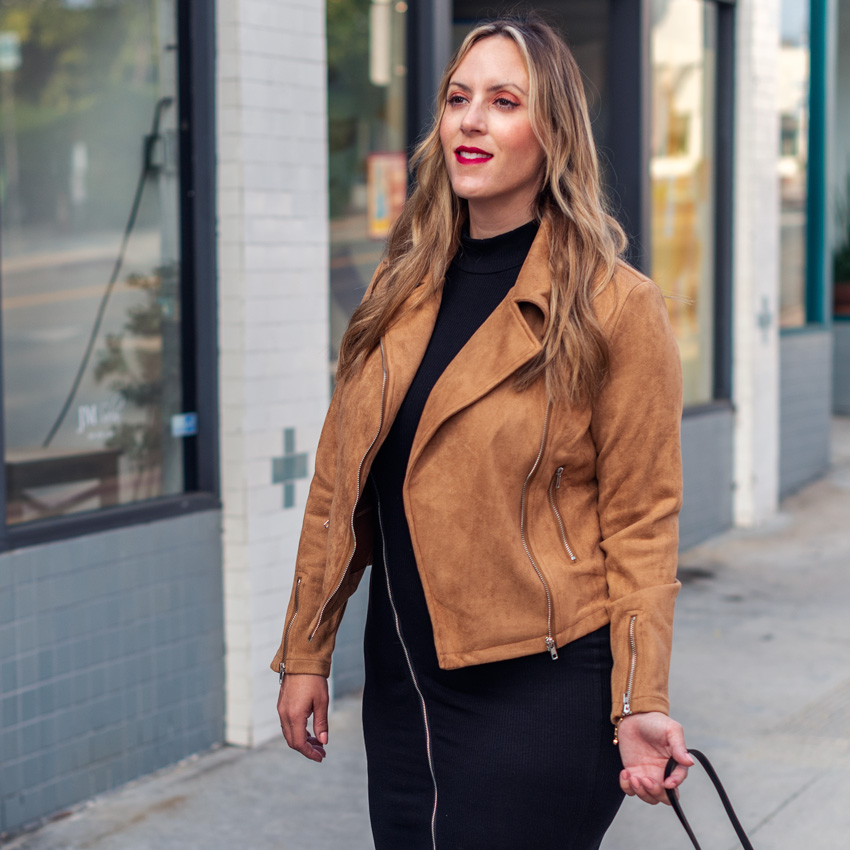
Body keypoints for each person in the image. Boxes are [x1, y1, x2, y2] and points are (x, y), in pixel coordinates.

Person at [272, 14, 693, 849]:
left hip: (542, 690)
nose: (471, 120)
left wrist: (640, 699)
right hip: (404, 686)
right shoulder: (399, 290)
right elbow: (338, 486)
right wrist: (306, 650)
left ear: (554, 131)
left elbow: (643, 523)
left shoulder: (615, 306)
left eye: (504, 102)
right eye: (458, 98)